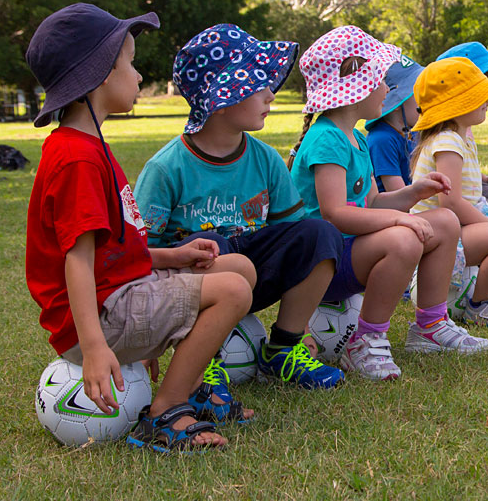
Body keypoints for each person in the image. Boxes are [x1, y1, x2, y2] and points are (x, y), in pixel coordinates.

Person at [24, 3, 257, 452]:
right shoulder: (77, 159)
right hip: (101, 318)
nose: (138, 75)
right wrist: (95, 347)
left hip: (120, 295)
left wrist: (173, 256)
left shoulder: (89, 145)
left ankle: (193, 386)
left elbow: (111, 249)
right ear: (100, 74)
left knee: (239, 268)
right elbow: (78, 260)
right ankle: (165, 412)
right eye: (129, 63)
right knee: (232, 291)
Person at [134, 24, 345, 390]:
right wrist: (144, 338)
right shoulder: (166, 168)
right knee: (211, 244)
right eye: (257, 86)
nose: (271, 95)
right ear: (220, 99)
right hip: (190, 285)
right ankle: (202, 366)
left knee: (319, 234)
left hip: (253, 275)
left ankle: (284, 347)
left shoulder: (265, 159)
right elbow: (137, 254)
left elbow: (291, 234)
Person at [288, 26, 488, 381]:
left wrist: (414, 194)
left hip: (351, 251)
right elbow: (335, 215)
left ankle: (430, 326)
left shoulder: (354, 137)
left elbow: (373, 201)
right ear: (355, 86)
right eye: (381, 79)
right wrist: (398, 221)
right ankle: (366, 339)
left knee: (444, 220)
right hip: (320, 265)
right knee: (403, 239)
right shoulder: (327, 140)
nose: (387, 89)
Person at [410, 58, 488, 326]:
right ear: (455, 105)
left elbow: (463, 189)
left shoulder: (460, 136)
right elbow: (451, 203)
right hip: (441, 235)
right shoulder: (447, 142)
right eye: (479, 96)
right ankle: (481, 305)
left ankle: (483, 286)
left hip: (459, 224)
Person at [435, 42, 488, 214]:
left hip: (465, 194)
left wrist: (483, 178)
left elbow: (462, 168)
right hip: (447, 208)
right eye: (486, 85)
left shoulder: (464, 126)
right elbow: (448, 195)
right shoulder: (445, 138)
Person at [365, 52, 423, 194]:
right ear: (397, 103)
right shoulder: (382, 139)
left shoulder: (412, 132)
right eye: (418, 94)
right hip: (400, 204)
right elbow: (399, 193)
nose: (425, 100)